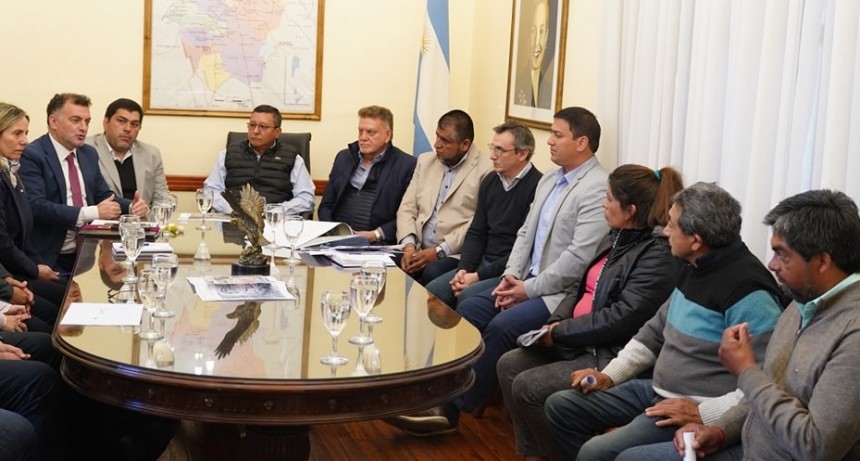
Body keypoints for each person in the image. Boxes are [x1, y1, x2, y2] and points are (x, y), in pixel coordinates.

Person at [388, 107, 609, 436]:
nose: (549, 141)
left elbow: (577, 260)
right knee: (469, 308)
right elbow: (525, 234)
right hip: (522, 279)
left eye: (557, 134)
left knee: (501, 327)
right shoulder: (551, 179)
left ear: (581, 143)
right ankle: (435, 390)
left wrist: (526, 289)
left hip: (557, 294)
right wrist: (511, 277)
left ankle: (451, 409)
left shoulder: (597, 187)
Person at [543, 182, 786, 461]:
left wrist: (703, 413)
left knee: (596, 452)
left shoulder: (749, 293)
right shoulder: (695, 264)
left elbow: (763, 382)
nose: (664, 231)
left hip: (691, 407)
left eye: (671, 225)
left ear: (695, 240)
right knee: (562, 406)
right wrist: (610, 375)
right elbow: (655, 331)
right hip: (657, 390)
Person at [620, 189, 860, 461]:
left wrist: (746, 371)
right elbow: (765, 397)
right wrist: (720, 431)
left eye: (782, 255)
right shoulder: (801, 303)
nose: (771, 265)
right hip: (748, 443)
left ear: (822, 261)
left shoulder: (852, 334)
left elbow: (815, 446)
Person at [496, 164, 684, 460]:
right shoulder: (615, 236)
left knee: (529, 386)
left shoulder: (657, 255)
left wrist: (560, 333)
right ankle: (534, 452)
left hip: (606, 351)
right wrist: (555, 323)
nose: (603, 204)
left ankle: (559, 454)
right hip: (578, 338)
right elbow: (579, 286)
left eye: (609, 199)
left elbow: (622, 317)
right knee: (509, 364)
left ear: (630, 211)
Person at [19, 93, 148, 273]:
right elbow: (36, 206)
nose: (83, 128)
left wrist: (132, 207)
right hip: (47, 259)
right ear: (53, 122)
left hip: (84, 257)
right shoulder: (33, 154)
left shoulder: (88, 153)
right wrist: (93, 212)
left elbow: (103, 195)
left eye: (87, 122)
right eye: (76, 120)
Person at [424, 120, 542, 309]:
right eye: (492, 148)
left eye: (500, 150)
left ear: (522, 154)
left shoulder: (538, 187)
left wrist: (477, 277)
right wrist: (464, 270)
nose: (492, 156)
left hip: (509, 270)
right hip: (482, 263)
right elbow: (476, 232)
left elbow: (523, 250)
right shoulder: (491, 180)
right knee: (433, 291)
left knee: (467, 298)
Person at [395, 110, 493, 285]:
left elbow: (477, 224)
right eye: (437, 136)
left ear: (465, 144)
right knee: (385, 263)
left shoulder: (487, 170)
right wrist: (409, 246)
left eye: (445, 141)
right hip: (417, 246)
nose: (436, 145)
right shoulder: (425, 161)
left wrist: (439, 251)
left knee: (432, 272)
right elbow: (407, 208)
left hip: (454, 252)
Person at [0, 102, 69, 327]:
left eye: (26, 133)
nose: (25, 141)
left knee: (68, 295)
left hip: (17, 271)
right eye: (17, 133)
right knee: (56, 316)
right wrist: (32, 270)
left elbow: (23, 236)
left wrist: (39, 267)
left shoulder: (11, 172)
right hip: (10, 273)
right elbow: (3, 242)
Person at [318, 105, 416, 243]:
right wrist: (333, 232)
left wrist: (376, 234)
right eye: (360, 131)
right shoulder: (344, 158)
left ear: (387, 135)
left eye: (370, 132)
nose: (363, 138)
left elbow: (408, 215)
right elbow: (326, 205)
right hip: (336, 240)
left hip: (378, 244)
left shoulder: (406, 165)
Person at [204, 104, 314, 216]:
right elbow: (211, 190)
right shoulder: (228, 154)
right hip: (233, 219)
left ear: (277, 132)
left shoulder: (292, 157)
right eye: (252, 125)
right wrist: (231, 210)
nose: (255, 131)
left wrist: (273, 211)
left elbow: (306, 197)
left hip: (275, 221)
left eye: (263, 127)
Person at [87, 98, 171, 206]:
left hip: (141, 216)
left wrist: (158, 211)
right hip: (101, 215)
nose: (127, 129)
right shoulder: (86, 149)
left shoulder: (151, 154)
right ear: (105, 122)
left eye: (134, 124)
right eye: (121, 121)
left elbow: (162, 196)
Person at [516, 0, 553, 109]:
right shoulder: (517, 85)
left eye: (541, 31)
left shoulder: (549, 89)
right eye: (533, 31)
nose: (537, 43)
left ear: (546, 36)